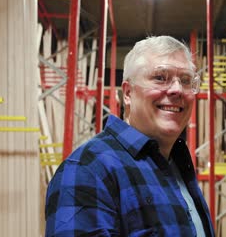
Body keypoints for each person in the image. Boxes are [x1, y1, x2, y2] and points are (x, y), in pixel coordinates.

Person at [45, 36, 215, 236]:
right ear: (127, 93)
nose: (177, 89)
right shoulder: (89, 168)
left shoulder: (177, 166)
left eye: (185, 80)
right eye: (160, 77)